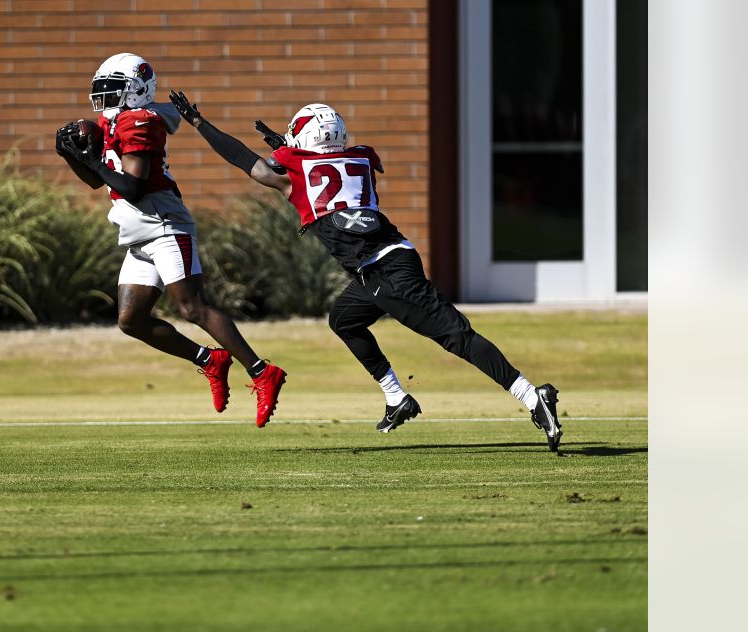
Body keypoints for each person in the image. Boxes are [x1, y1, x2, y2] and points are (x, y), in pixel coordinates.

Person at [168, 91, 564, 451]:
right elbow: (324, 168)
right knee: (344, 319)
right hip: (388, 260)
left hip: (386, 272)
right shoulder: (359, 157)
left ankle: (532, 396)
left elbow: (244, 160)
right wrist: (288, 147)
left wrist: (202, 125)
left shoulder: (296, 173)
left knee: (456, 337)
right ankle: (397, 397)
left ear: (302, 141)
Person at [53, 54, 287, 427]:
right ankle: (209, 360)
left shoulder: (141, 121)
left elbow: (131, 185)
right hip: (137, 234)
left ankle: (262, 372)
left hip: (164, 227)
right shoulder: (115, 120)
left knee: (192, 308)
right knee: (131, 320)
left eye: (113, 90)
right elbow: (98, 182)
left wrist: (94, 161)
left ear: (136, 91)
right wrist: (72, 156)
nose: (105, 99)